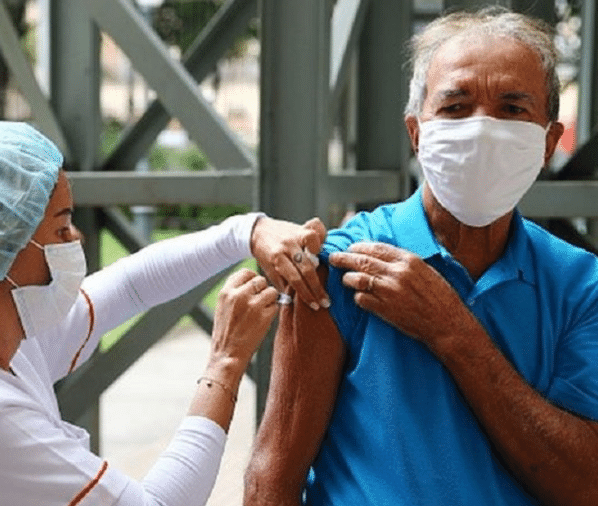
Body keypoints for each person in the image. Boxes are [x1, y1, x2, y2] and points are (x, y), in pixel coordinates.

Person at [244, 7, 598, 506]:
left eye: (513, 108)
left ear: (546, 143)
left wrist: (450, 329)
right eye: (455, 107)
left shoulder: (581, 286)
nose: (482, 130)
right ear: (416, 132)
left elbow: (585, 484)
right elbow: (271, 478)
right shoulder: (343, 265)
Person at [0, 121, 329, 506]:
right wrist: (225, 363)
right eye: (61, 226)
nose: (77, 240)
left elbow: (129, 286)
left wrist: (245, 232)